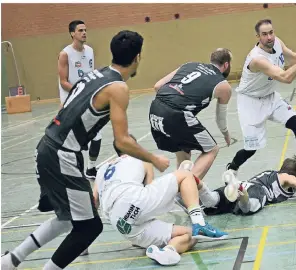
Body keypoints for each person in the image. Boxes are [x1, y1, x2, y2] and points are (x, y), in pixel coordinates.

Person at [1, 30, 170, 270]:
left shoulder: (97, 73)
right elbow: (121, 142)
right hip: (62, 155)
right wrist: (153, 159)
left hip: (47, 148)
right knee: (90, 227)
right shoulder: (118, 88)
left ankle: (10, 261)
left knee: (67, 217)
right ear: (137, 58)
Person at [92, 136, 228, 266]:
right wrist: (175, 189)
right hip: (133, 201)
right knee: (186, 175)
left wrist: (84, 241)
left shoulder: (102, 170)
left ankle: (168, 251)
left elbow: (94, 202)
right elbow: (149, 189)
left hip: (121, 223)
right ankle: (199, 222)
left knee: (190, 234)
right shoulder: (142, 159)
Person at [225, 18, 296, 185]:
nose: (269, 37)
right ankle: (232, 169)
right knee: (252, 148)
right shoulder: (257, 59)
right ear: (258, 37)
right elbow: (286, 77)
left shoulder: (277, 43)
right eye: (264, 34)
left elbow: (294, 58)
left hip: (270, 96)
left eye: (271, 32)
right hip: (250, 102)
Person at [149, 48, 233, 181]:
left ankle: (177, 189)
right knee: (211, 149)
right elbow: (220, 118)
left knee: (184, 154)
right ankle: (186, 189)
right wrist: (226, 133)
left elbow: (158, 86)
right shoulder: (223, 85)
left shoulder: (189, 65)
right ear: (227, 65)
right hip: (177, 114)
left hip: (155, 108)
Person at [198, 155, 296, 216]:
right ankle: (239, 190)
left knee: (211, 201)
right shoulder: (286, 177)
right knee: (248, 209)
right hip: (257, 191)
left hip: (245, 184)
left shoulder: (271, 173)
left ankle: (199, 185)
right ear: (294, 173)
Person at [57, 20, 101, 180]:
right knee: (73, 138)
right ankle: (71, 171)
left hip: (88, 97)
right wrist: (79, 92)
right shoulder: (65, 54)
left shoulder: (89, 50)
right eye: (80, 30)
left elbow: (91, 73)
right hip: (72, 99)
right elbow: (63, 81)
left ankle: (91, 168)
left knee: (97, 136)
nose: (84, 33)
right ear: (72, 34)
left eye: (85, 30)